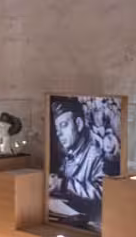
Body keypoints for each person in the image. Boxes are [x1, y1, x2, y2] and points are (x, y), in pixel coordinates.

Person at [47, 97, 116, 229]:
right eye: (57, 129)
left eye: (64, 125)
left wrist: (63, 184)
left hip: (96, 226)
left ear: (78, 124)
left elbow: (104, 192)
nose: (59, 134)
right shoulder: (70, 155)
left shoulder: (96, 154)